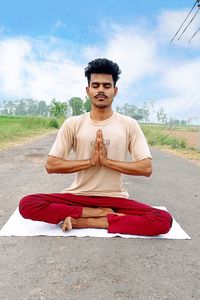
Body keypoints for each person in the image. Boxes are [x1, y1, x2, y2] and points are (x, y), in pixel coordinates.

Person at [19, 58, 172, 236]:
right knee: (27, 204)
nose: (101, 90)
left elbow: (146, 168)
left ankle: (88, 221)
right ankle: (99, 214)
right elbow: (52, 165)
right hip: (77, 196)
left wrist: (106, 162)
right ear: (88, 90)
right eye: (96, 85)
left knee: (162, 219)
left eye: (107, 86)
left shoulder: (129, 124)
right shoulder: (73, 123)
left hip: (115, 199)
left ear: (115, 91)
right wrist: (91, 162)